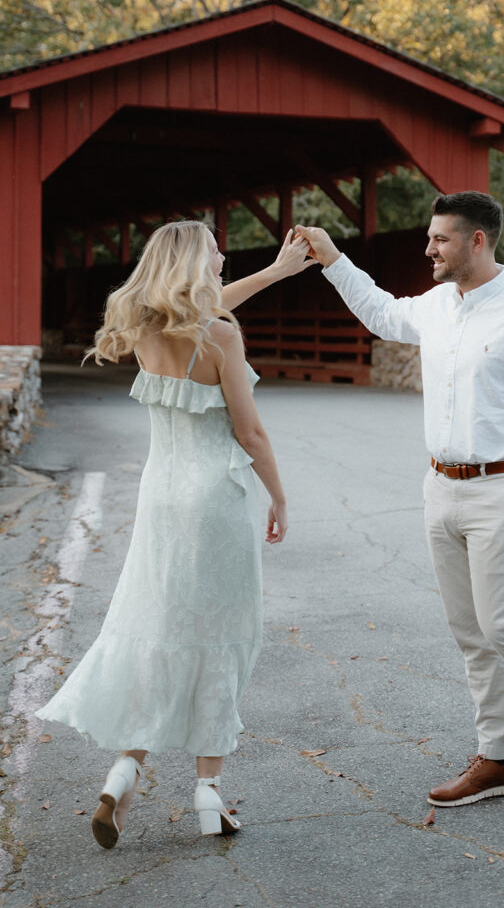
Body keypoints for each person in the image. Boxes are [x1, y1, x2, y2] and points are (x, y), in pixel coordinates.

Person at [296, 191, 504, 817]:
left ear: (477, 241)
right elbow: (382, 314)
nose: (428, 248)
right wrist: (332, 259)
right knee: (471, 633)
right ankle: (498, 757)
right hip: (439, 487)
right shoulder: (438, 306)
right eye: (429, 237)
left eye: (440, 239)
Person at [36, 223, 314, 847]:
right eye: (215, 248)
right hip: (214, 500)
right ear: (195, 261)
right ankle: (209, 791)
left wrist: (275, 273)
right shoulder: (219, 337)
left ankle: (124, 770)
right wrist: (280, 495)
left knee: (160, 630)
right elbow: (251, 433)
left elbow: (210, 307)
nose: (222, 254)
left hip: (160, 499)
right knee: (218, 636)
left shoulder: (144, 325)